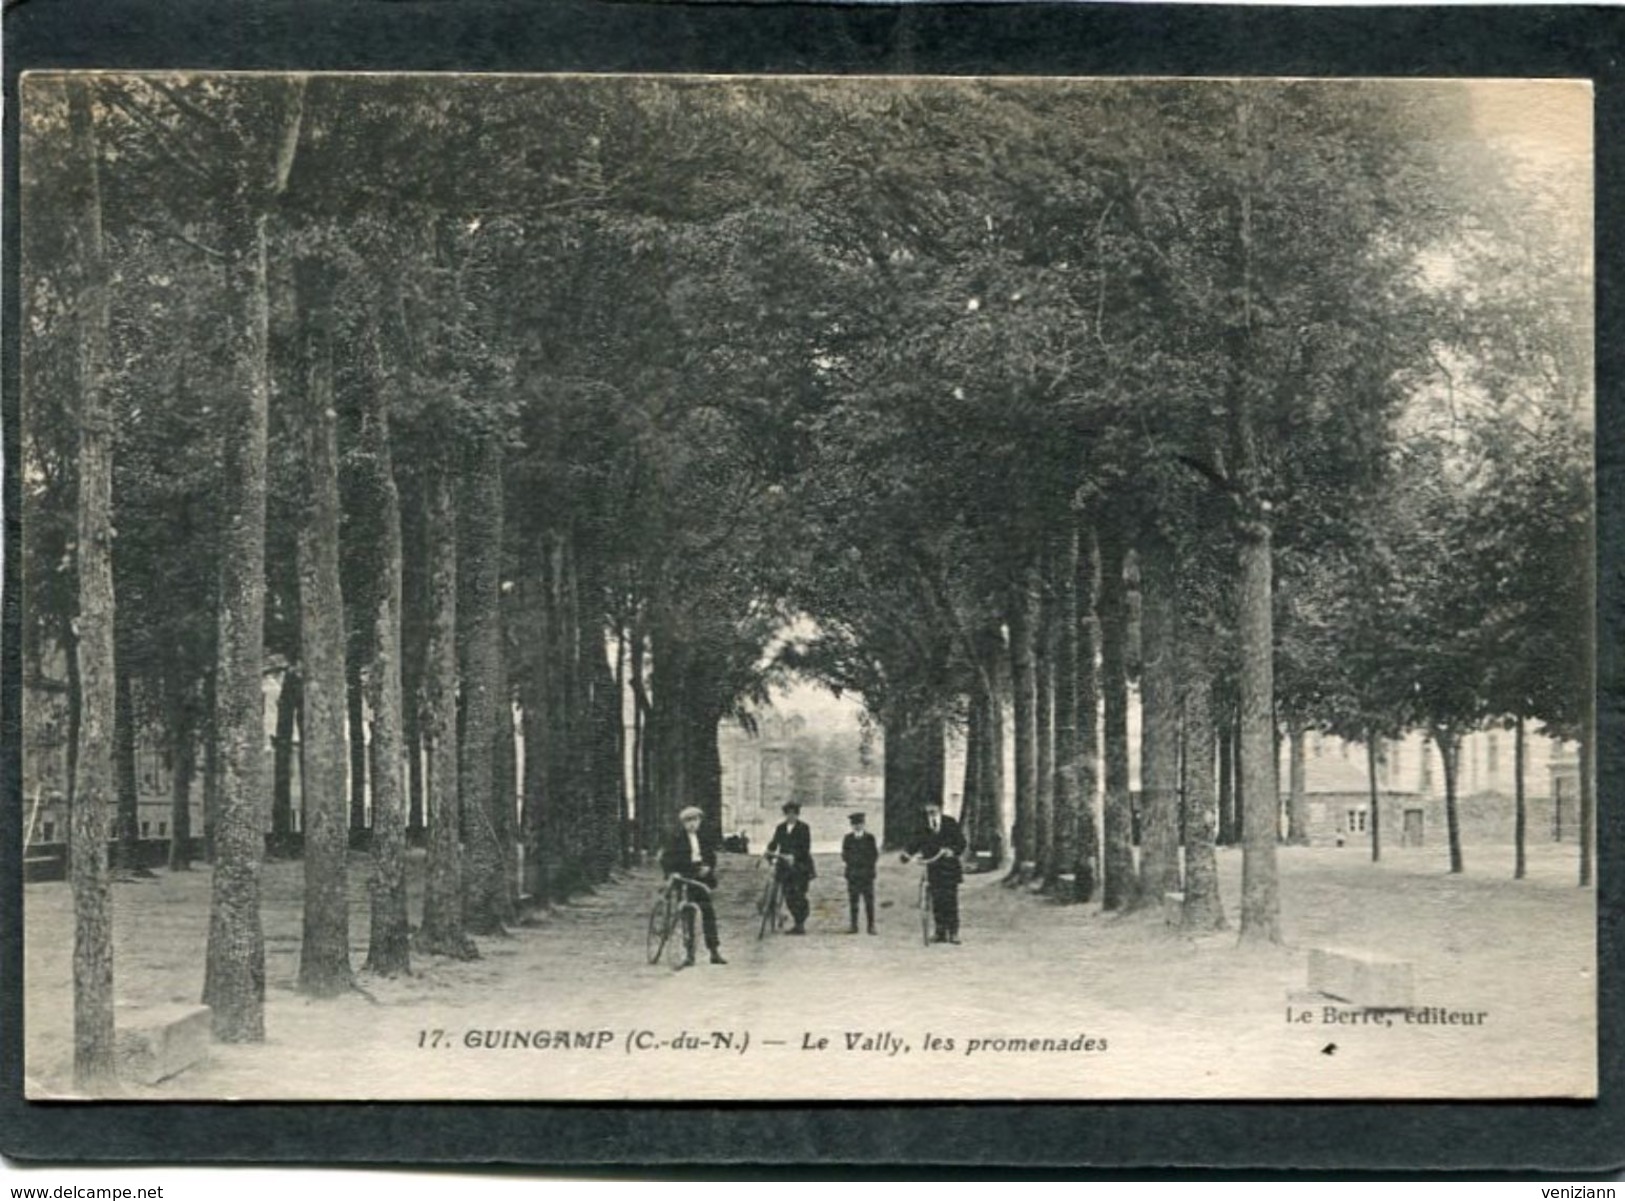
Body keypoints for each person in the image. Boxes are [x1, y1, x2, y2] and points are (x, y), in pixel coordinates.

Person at [659, 805, 727, 965]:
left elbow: (711, 856)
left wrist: (708, 867)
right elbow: (666, 858)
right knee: (687, 913)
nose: (692, 824)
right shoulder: (676, 838)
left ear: (699, 821)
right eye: (688, 821)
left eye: (695, 820)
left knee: (708, 912)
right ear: (683, 823)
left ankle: (714, 951)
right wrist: (672, 873)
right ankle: (690, 953)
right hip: (683, 875)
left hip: (701, 877)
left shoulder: (704, 837)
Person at [901, 798, 966, 944]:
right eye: (928, 809)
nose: (930, 812)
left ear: (939, 808)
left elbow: (961, 842)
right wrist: (907, 854)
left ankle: (954, 933)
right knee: (937, 901)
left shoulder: (950, 823)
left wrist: (952, 851)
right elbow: (915, 842)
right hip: (933, 868)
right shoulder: (923, 826)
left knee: (950, 901)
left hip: (949, 869)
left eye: (933, 809)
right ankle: (940, 932)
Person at [765, 800, 815, 934]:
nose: (791, 816)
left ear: (797, 815)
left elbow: (806, 848)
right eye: (788, 814)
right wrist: (768, 853)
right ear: (785, 814)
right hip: (785, 867)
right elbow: (774, 843)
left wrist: (793, 856)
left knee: (799, 894)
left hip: (801, 865)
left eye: (793, 814)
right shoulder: (780, 828)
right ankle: (796, 920)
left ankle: (800, 923)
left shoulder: (804, 828)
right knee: (788, 894)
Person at [841, 811, 879, 935]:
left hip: (867, 874)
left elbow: (874, 855)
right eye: (855, 824)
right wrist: (853, 862)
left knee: (869, 901)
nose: (857, 826)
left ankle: (871, 925)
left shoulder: (870, 838)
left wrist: (865, 865)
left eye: (860, 823)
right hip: (853, 873)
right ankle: (854, 925)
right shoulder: (848, 838)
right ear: (852, 825)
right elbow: (845, 855)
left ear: (864, 824)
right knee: (853, 901)